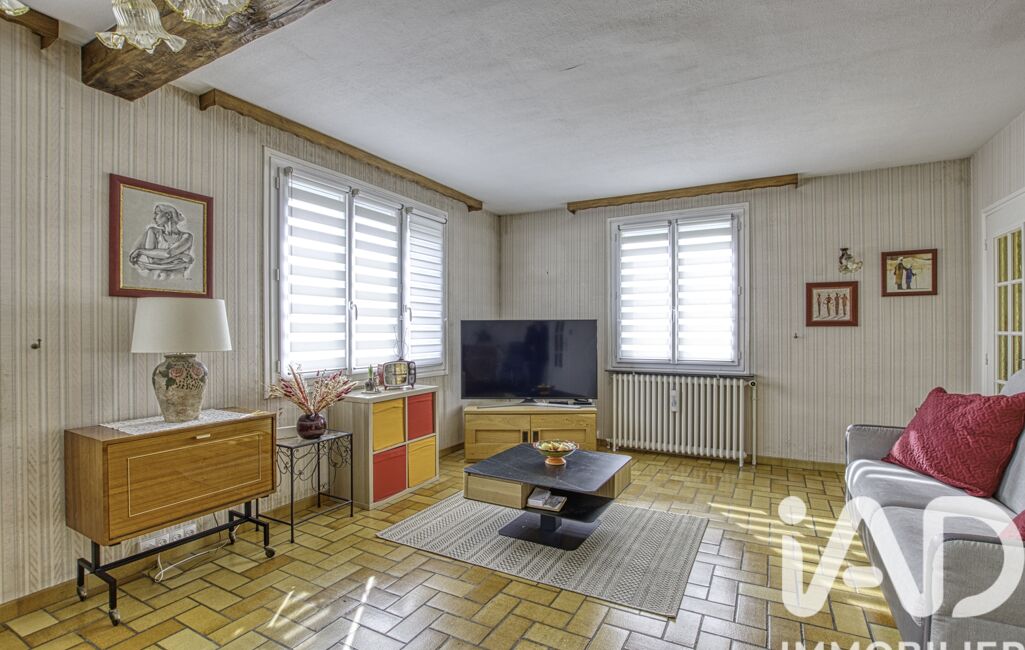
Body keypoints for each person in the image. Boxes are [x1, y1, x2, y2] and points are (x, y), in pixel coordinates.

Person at [129, 203, 195, 279]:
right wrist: (180, 256)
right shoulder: (153, 231)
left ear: (168, 215)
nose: (154, 217)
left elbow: (168, 253)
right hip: (153, 279)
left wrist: (140, 251)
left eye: (156, 213)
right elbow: (153, 260)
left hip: (177, 280)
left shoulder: (187, 236)